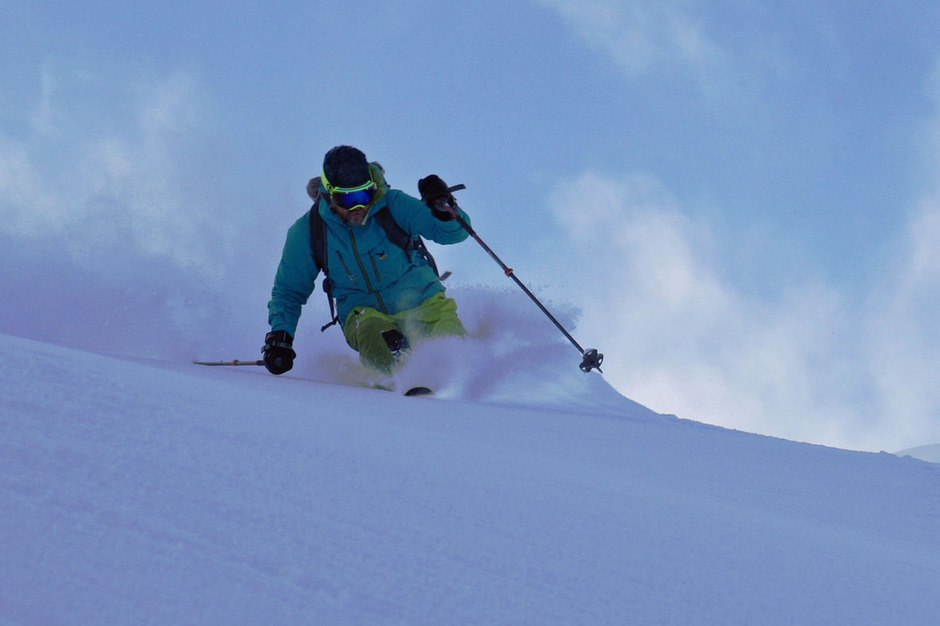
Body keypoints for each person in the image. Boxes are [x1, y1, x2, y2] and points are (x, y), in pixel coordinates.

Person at [262, 145, 471, 376]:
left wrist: (444, 208)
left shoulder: (393, 204)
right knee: (374, 331)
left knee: (453, 355)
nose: (358, 207)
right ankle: (403, 382)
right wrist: (281, 336)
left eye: (364, 195)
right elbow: (289, 291)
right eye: (347, 198)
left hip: (425, 303)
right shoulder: (310, 230)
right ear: (328, 193)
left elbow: (453, 234)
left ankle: (451, 383)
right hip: (364, 313)